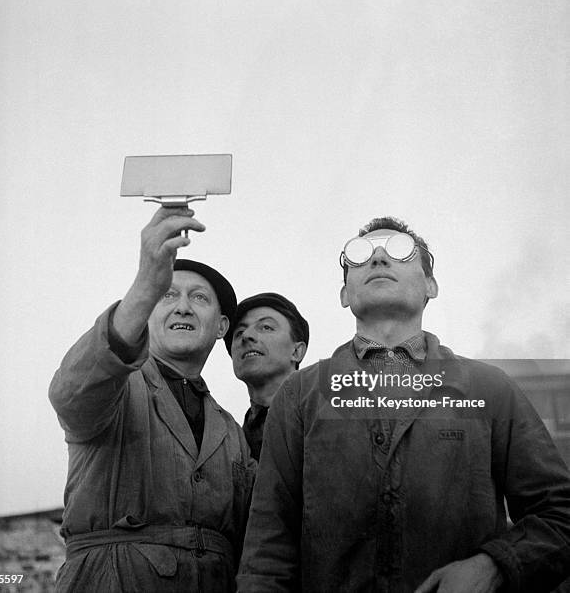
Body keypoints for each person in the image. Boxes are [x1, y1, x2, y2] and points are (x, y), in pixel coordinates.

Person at [237, 217, 570, 592]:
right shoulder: (299, 395)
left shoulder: (490, 388)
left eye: (400, 250)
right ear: (344, 293)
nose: (378, 258)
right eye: (359, 256)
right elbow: (268, 551)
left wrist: (494, 564)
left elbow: (559, 514)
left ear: (431, 285)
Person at [49, 206, 256, 593]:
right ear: (145, 311)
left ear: (221, 327)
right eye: (167, 295)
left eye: (199, 298)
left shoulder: (231, 430)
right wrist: (146, 283)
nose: (182, 306)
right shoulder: (117, 387)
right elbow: (70, 394)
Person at [224, 293, 309, 460]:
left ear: (296, 351)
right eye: (239, 332)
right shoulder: (230, 442)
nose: (247, 335)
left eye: (266, 327)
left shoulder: (329, 416)